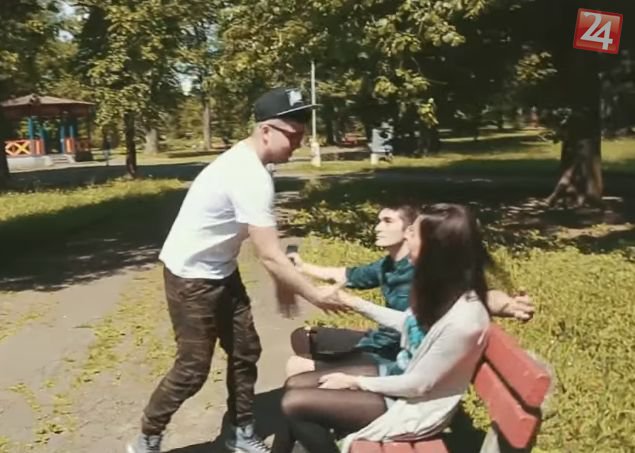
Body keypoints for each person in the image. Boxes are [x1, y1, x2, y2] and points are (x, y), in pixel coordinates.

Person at [126, 87, 349, 453]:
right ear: (266, 131)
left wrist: (283, 284)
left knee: (246, 350)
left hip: (221, 271)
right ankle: (146, 438)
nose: (298, 143)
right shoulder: (248, 175)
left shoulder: (253, 166)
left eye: (302, 134)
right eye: (293, 135)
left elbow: (268, 246)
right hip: (190, 277)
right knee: (192, 369)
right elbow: (270, 255)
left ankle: (241, 432)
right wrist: (315, 295)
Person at [271, 203, 496, 453]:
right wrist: (354, 302)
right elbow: (407, 323)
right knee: (294, 385)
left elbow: (419, 385)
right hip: (396, 378)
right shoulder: (442, 290)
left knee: (295, 403)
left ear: (435, 247)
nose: (406, 238)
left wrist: (356, 382)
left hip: (412, 408)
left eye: (413, 233)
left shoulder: (464, 319)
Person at [285, 204, 534, 377]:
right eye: (378, 221)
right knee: (302, 337)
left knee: (298, 370)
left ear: (408, 232)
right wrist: (303, 267)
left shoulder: (426, 271)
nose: (377, 228)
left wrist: (508, 305)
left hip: (395, 357)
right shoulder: (388, 265)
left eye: (387, 221)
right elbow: (347, 275)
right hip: (381, 343)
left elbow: (475, 296)